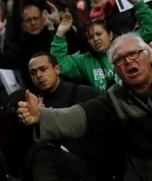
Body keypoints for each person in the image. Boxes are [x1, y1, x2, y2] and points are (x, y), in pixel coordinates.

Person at [18, 32, 152, 180]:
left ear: (148, 56)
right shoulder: (114, 101)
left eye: (134, 54)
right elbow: (77, 117)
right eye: (120, 60)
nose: (129, 61)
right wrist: (41, 116)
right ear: (116, 69)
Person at [28, 52, 126, 180]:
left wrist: (118, 170)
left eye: (43, 69)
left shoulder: (86, 93)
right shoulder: (36, 109)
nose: (39, 75)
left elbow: (113, 134)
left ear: (57, 69)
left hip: (106, 172)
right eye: (34, 72)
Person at [52, 0, 152, 92]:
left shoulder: (127, 44)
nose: (95, 39)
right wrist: (60, 33)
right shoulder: (86, 60)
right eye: (90, 37)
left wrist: (137, 2)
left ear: (110, 35)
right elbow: (58, 64)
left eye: (99, 34)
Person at [0, 90, 93, 181]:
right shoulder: (41, 154)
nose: (42, 101)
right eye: (37, 100)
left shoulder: (30, 145)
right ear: (26, 113)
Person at [0, 3, 82, 91]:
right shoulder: (19, 47)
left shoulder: (55, 37)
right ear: (23, 26)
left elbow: (76, 45)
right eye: (28, 20)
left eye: (36, 18)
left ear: (43, 20)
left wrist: (58, 22)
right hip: (42, 99)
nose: (33, 23)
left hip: (69, 88)